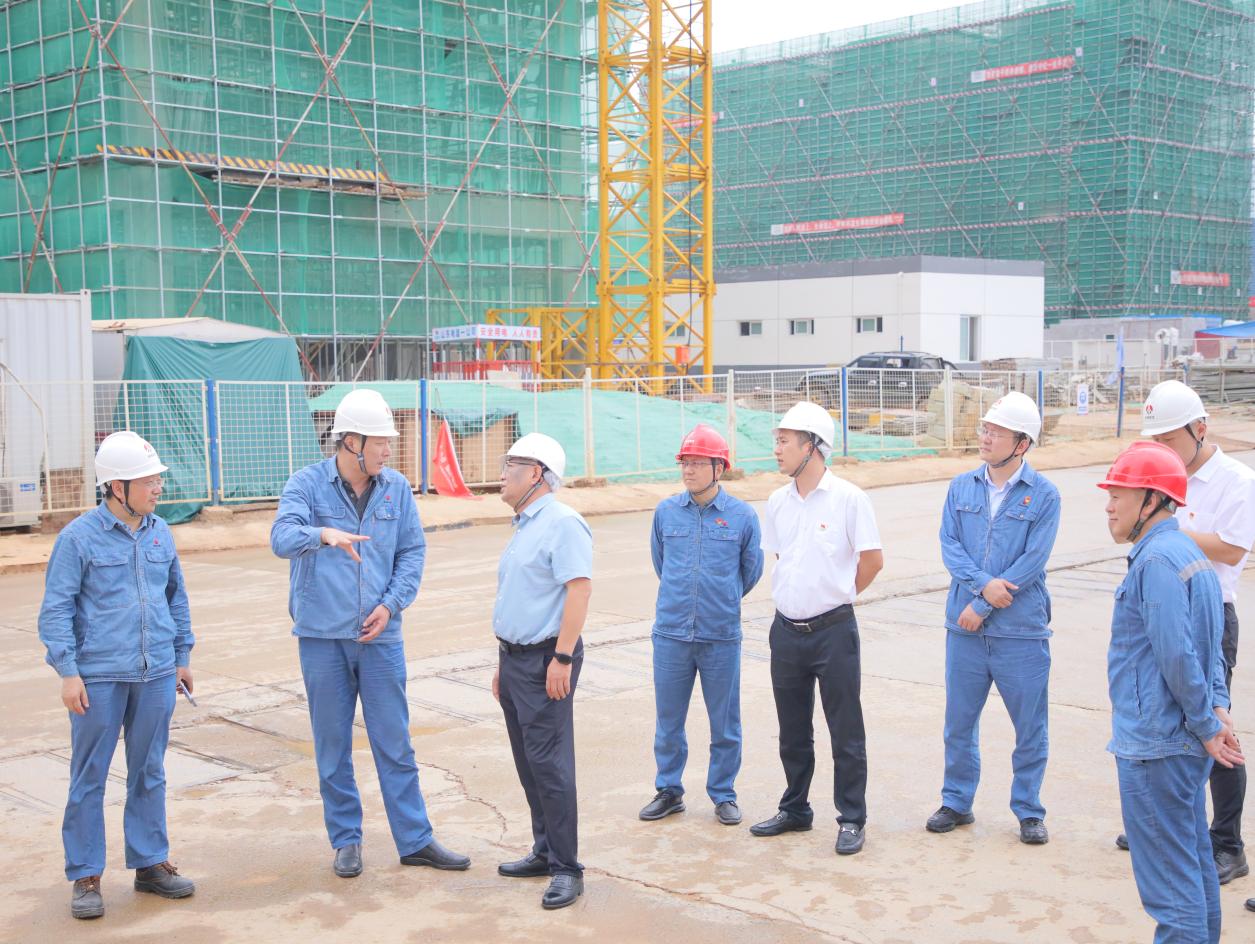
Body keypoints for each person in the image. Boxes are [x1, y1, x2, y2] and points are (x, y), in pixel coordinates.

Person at [270, 388, 469, 879]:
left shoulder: (396, 488)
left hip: (381, 638)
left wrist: (390, 604)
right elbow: (281, 537)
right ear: (351, 442)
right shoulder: (306, 485)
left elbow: (411, 552)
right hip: (322, 638)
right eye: (380, 441)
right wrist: (323, 534)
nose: (388, 450)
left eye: (388, 441)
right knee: (332, 745)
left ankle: (415, 840)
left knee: (395, 743)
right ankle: (346, 841)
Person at [38, 431, 196, 919]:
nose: (157, 488)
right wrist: (68, 672)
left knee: (149, 769)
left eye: (157, 480)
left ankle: (150, 863)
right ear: (116, 487)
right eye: (148, 481)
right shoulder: (77, 539)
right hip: (99, 676)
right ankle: (86, 874)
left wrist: (182, 655)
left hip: (156, 672)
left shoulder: (160, 532)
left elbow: (176, 597)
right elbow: (56, 609)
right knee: (90, 775)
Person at [1111, 379, 1255, 886]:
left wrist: (1159, 523)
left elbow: (1232, 548)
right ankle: (1165, 819)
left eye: (1170, 439)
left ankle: (1227, 843)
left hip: (1210, 616)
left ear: (1200, 428)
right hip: (1159, 607)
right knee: (1161, 724)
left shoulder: (1236, 480)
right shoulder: (1153, 479)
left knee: (1210, 724)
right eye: (1155, 440)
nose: (1163, 449)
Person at [1099, 441, 1243, 942]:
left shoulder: (1157, 561)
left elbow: (1177, 654)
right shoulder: (1189, 554)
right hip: (1180, 742)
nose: (1109, 506)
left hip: (1156, 745)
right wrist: (1217, 709)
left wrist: (1206, 722)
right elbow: (1211, 645)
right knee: (1192, 866)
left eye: (1118, 494)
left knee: (1169, 889)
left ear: (1153, 500)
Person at [750, 401, 884, 855]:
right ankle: (795, 809)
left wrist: (838, 595)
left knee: (845, 730)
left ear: (812, 446)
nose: (777, 449)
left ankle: (852, 818)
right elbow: (782, 558)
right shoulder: (777, 502)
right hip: (786, 631)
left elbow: (872, 561)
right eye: (777, 440)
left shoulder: (849, 499)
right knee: (792, 729)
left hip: (834, 632)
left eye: (785, 441)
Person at [929, 392, 1060, 845]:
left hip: (1020, 632)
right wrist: (982, 586)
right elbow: (950, 545)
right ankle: (956, 802)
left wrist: (984, 603)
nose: (985, 437)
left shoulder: (1044, 495)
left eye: (996, 432)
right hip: (963, 630)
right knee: (959, 724)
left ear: (1022, 444)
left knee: (1030, 727)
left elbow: (1033, 560)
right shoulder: (961, 487)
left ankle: (1029, 810)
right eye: (985, 429)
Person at [639, 424, 763, 826]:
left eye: (696, 463)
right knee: (668, 722)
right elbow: (661, 563)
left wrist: (721, 598)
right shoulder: (666, 512)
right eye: (684, 462)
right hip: (672, 633)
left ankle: (723, 794)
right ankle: (669, 790)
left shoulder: (742, 517)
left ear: (718, 468)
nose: (688, 470)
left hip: (720, 636)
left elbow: (751, 571)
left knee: (725, 723)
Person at [492, 433, 593, 910]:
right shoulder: (524, 524)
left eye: (510, 465)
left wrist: (563, 658)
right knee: (529, 763)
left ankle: (567, 868)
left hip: (546, 661)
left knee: (551, 767)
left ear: (535, 474)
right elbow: (519, 598)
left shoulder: (562, 523)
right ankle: (544, 849)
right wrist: (502, 663)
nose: (501, 473)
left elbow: (579, 590)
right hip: (514, 660)